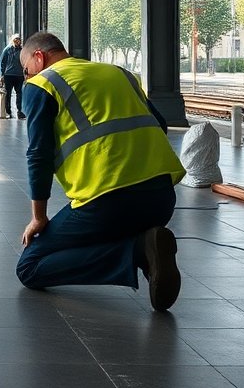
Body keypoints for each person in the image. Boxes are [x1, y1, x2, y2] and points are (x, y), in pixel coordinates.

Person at [14, 31, 187, 311]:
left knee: (29, 267)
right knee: (113, 225)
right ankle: (145, 245)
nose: (27, 77)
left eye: (26, 70)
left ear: (39, 57)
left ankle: (139, 251)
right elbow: (161, 125)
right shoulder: (120, 74)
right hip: (162, 199)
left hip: (105, 204)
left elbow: (38, 155)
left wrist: (38, 217)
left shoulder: (42, 85)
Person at [0, 34, 26, 119]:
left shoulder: (22, 50)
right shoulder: (7, 50)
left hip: (19, 75)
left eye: (18, 39)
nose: (17, 41)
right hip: (8, 75)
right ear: (12, 40)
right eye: (15, 39)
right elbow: (2, 62)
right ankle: (8, 111)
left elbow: (25, 62)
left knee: (19, 94)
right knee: (8, 94)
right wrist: (2, 75)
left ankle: (20, 111)